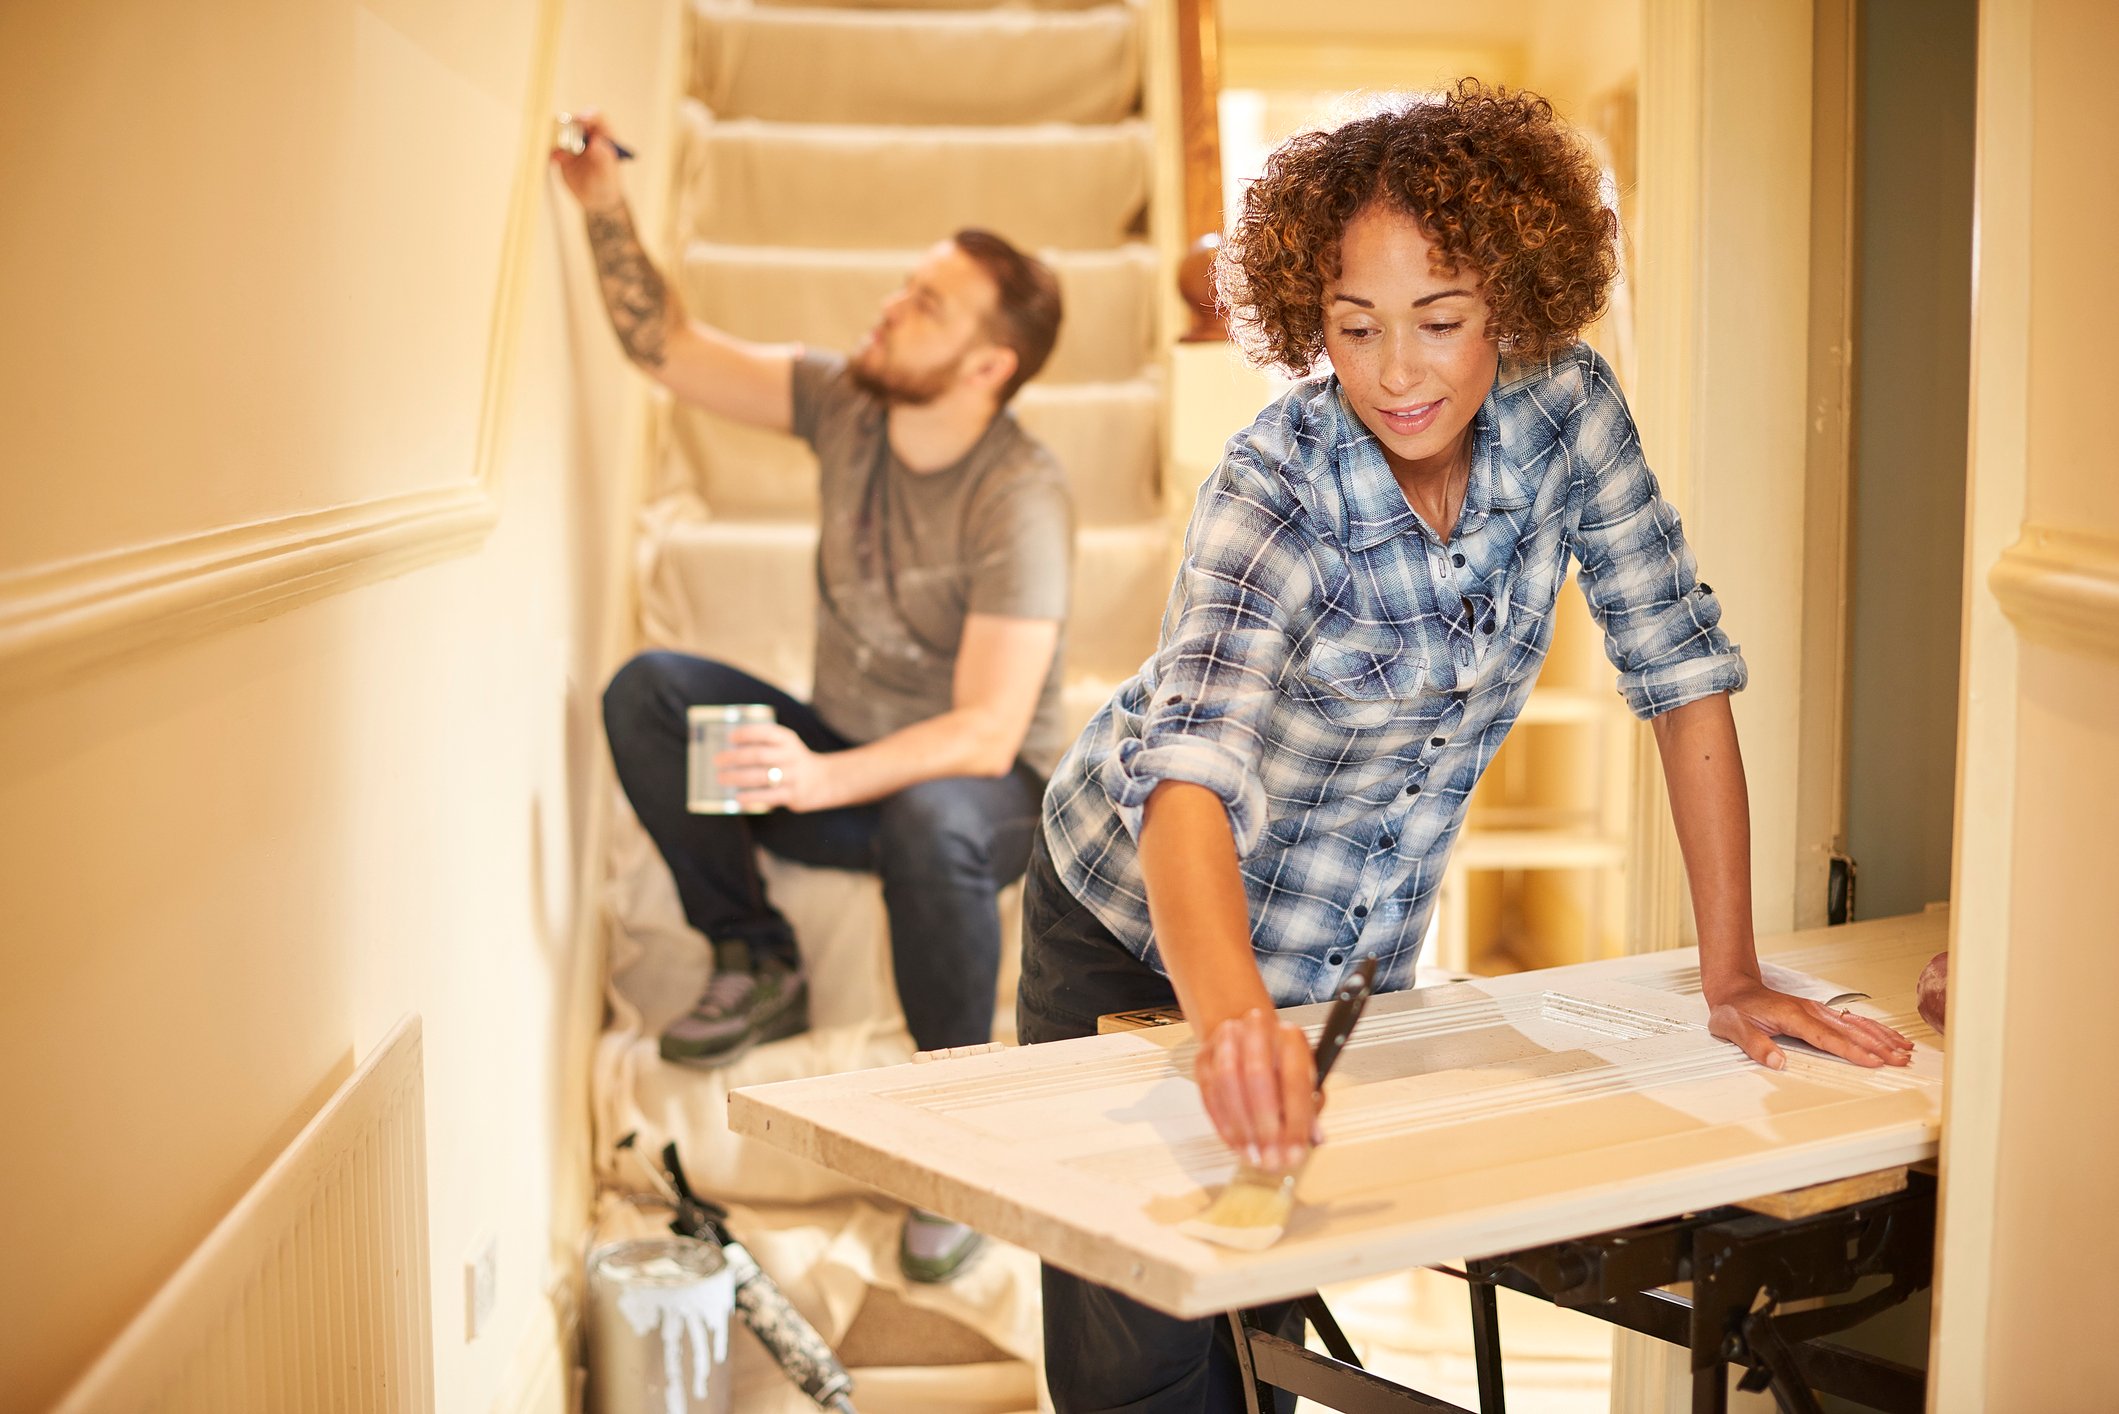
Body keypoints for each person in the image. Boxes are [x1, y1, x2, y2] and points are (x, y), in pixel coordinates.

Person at [1018, 81, 1914, 1408]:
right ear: (1301, 322)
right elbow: (1185, 777)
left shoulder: (1568, 416)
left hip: (1344, 958)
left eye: (1439, 321)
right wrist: (1226, 1025)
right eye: (1351, 326)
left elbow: (1674, 665)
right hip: (1131, 925)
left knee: (1266, 1313)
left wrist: (1728, 969)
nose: (1395, 371)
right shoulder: (1273, 484)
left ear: (1511, 296)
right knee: (1148, 1355)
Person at [554, 114, 1072, 1282]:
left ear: (988, 366)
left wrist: (821, 775)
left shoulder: (1020, 495)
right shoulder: (845, 402)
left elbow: (988, 732)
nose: (890, 309)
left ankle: (955, 1141)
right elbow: (669, 350)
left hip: (987, 794)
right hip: (845, 749)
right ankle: (755, 953)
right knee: (653, 692)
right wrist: (598, 200)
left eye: (927, 306)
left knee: (929, 814)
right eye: (905, 288)